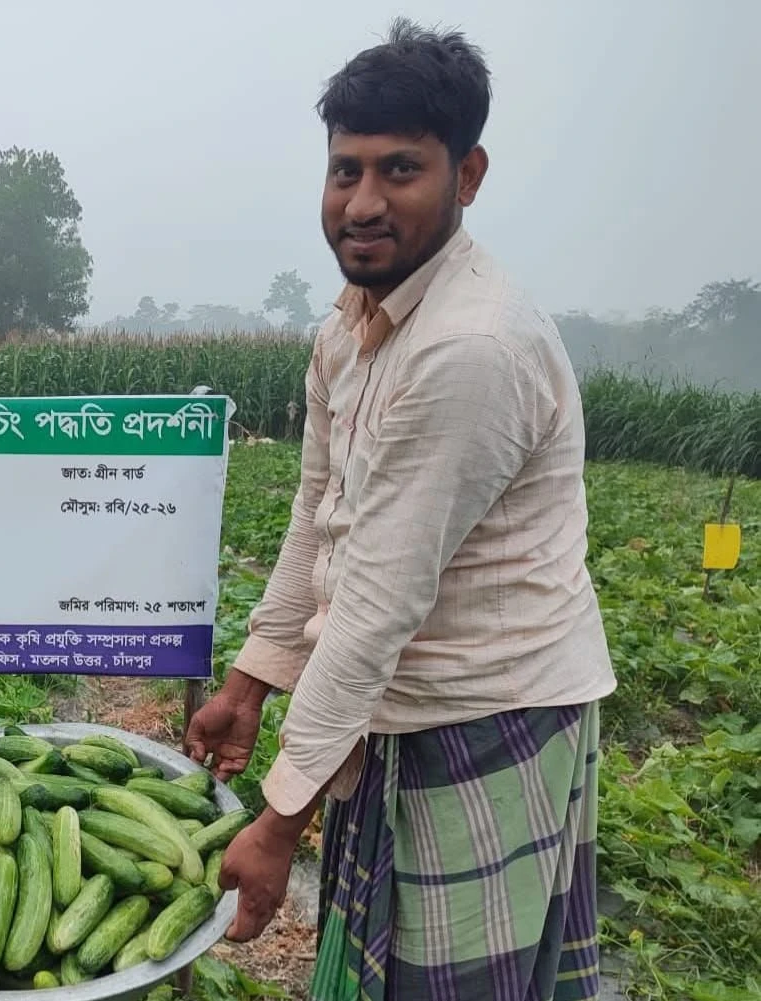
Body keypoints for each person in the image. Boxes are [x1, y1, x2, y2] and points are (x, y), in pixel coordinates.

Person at [185, 19, 617, 1001]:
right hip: (388, 710)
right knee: (385, 962)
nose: (364, 203)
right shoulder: (349, 328)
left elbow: (378, 603)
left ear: (468, 175)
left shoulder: (472, 347)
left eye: (401, 170)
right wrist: (251, 681)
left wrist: (278, 820)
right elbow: (317, 511)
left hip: (487, 711)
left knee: (450, 980)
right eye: (346, 170)